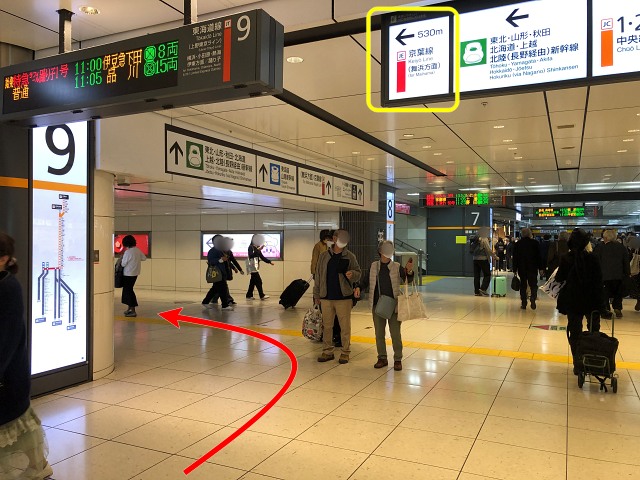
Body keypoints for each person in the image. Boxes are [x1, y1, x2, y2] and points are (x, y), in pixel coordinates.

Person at [0, 232, 54, 480]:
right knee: (18, 421)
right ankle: (38, 465)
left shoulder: (8, 287)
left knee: (18, 421)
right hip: (10, 371)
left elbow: (7, 338)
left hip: (8, 372)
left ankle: (38, 466)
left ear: (4, 259)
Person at [556, 229, 605, 373]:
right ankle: (593, 359)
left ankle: (577, 362)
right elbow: (599, 281)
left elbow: (559, 278)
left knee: (575, 330)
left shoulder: (566, 258)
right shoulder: (593, 258)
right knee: (594, 330)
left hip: (573, 299)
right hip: (592, 299)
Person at [313, 229, 361, 364]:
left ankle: (345, 352)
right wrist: (316, 294)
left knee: (344, 327)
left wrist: (352, 274)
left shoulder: (350, 256)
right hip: (326, 297)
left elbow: (358, 272)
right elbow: (318, 276)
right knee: (327, 326)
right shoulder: (324, 256)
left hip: (344, 297)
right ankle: (327, 351)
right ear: (334, 239)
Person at [369, 241, 414, 371]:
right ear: (380, 251)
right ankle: (382, 358)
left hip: (394, 305)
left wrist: (409, 271)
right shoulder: (374, 266)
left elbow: (407, 280)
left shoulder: (397, 266)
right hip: (378, 305)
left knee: (395, 333)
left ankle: (398, 359)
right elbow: (367, 280)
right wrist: (358, 287)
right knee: (379, 333)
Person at [310, 230, 342, 347]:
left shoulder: (338, 249)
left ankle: (336, 336)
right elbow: (315, 262)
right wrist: (315, 274)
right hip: (324, 284)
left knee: (337, 315)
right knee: (324, 313)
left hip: (335, 287)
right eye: (327, 238)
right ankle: (323, 334)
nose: (329, 240)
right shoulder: (319, 247)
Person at [594, 229, 630, 318]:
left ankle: (606, 310)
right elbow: (626, 261)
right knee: (618, 293)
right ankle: (617, 307)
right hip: (619, 275)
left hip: (604, 276)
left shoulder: (600, 247)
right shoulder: (621, 247)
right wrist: (627, 273)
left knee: (605, 294)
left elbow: (595, 261)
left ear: (605, 238)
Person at [512, 228, 543, 310]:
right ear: (530, 234)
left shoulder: (518, 244)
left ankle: (524, 303)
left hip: (521, 267)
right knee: (533, 284)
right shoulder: (535, 243)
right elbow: (539, 257)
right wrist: (541, 268)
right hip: (533, 267)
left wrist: (514, 269)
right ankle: (533, 297)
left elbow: (515, 257)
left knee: (523, 285)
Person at [202, 235, 233, 310]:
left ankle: (205, 302)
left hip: (222, 272)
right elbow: (211, 261)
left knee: (215, 289)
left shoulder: (221, 250)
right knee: (223, 288)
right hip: (217, 273)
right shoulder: (213, 250)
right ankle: (224, 305)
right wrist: (220, 259)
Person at [210, 237, 244, 305]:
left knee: (218, 286)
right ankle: (227, 300)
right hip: (218, 271)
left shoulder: (228, 251)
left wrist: (238, 269)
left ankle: (213, 299)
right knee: (222, 286)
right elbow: (212, 260)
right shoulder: (218, 250)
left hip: (225, 271)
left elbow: (232, 261)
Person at [120, 234, 146, 317]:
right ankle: (129, 308)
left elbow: (123, 264)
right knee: (129, 290)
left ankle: (133, 310)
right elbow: (144, 258)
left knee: (128, 291)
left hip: (127, 274)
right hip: (135, 273)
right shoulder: (137, 250)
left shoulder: (128, 252)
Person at [246, 234, 273, 300]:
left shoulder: (257, 248)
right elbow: (251, 256)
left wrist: (269, 262)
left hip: (256, 266)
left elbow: (262, 257)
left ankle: (249, 295)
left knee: (253, 282)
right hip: (252, 266)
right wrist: (258, 249)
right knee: (259, 281)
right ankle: (261, 295)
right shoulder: (251, 247)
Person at [470, 231, 493, 296]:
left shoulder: (475, 239)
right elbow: (488, 250)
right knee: (487, 274)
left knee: (476, 276)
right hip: (483, 259)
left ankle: (477, 292)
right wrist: (495, 256)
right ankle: (483, 289)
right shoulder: (484, 239)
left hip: (475, 259)